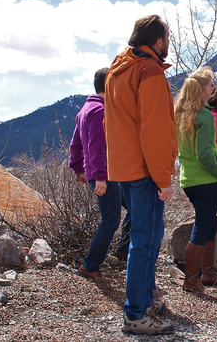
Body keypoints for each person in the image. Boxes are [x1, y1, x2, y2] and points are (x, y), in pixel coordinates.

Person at [104, 15, 177, 336]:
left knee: (143, 238)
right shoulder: (148, 71)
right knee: (145, 241)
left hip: (125, 167)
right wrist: (163, 177)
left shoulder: (118, 70)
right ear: (157, 40)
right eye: (168, 37)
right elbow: (156, 130)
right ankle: (136, 312)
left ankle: (144, 300)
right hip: (147, 169)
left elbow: (114, 124)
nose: (169, 42)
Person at [176, 67, 217, 292]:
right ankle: (191, 280)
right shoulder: (205, 116)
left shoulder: (180, 114)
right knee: (203, 224)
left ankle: (208, 274)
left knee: (209, 223)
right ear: (203, 90)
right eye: (211, 87)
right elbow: (206, 154)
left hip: (188, 179)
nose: (212, 90)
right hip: (206, 180)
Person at [69, 67, 120, 284]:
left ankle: (124, 253)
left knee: (132, 209)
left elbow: (76, 144)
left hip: (98, 173)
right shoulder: (100, 111)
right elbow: (98, 147)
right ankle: (90, 265)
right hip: (104, 174)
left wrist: (79, 169)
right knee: (110, 220)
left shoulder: (86, 108)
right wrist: (98, 176)